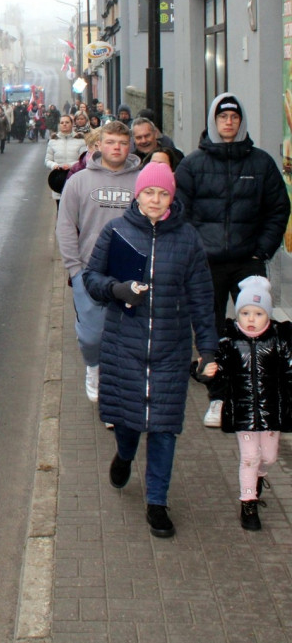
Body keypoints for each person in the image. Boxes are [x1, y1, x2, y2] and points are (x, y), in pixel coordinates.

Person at [83, 162, 218, 538]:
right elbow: (92, 278)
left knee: (163, 428)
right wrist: (118, 290)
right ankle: (125, 454)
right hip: (124, 345)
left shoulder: (188, 239)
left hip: (170, 350)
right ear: (137, 195)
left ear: (172, 198)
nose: (156, 200)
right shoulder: (117, 231)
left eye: (163, 194)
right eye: (149, 193)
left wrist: (207, 349)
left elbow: (202, 298)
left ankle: (157, 501)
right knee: (127, 422)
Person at [175, 92, 292, 427]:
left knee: (254, 328)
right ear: (214, 121)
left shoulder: (261, 163)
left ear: (241, 121)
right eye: (223, 117)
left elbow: (278, 209)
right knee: (209, 331)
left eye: (234, 117)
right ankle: (217, 398)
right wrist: (193, 250)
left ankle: (255, 395)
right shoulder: (193, 164)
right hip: (206, 265)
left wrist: (262, 249)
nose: (229, 122)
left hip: (247, 262)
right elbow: (179, 212)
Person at [56, 120, 142, 403]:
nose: (116, 147)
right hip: (90, 271)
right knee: (92, 336)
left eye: (122, 142)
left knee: (128, 336)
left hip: (132, 271)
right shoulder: (79, 181)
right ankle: (93, 368)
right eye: (110, 142)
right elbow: (66, 225)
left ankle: (118, 389)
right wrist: (74, 268)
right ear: (99, 145)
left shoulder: (141, 180)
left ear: (129, 146)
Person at [198, 276, 292, 530]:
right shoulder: (229, 343)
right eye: (246, 312)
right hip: (242, 412)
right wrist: (206, 370)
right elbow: (216, 368)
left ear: (269, 316)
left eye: (258, 313)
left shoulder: (279, 342)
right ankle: (248, 503)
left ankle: (260, 477)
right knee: (249, 457)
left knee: (269, 457)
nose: (251, 319)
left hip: (272, 412)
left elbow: (289, 372)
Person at [45, 114, 87, 209]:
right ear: (59, 125)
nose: (64, 124)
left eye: (67, 122)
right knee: (60, 209)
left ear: (72, 124)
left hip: (75, 177)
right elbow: (47, 160)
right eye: (62, 122)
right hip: (59, 179)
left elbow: (83, 160)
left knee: (74, 209)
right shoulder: (53, 141)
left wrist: (71, 165)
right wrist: (54, 165)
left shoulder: (80, 140)